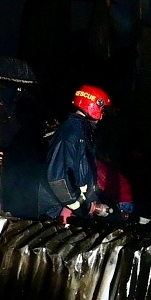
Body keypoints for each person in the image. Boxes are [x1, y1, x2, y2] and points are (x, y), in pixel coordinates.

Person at [38, 84, 115, 222]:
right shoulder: (71, 132)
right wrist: (81, 206)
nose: (102, 116)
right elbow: (58, 179)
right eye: (102, 110)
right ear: (94, 105)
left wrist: (90, 202)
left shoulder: (80, 132)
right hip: (56, 214)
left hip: (69, 210)